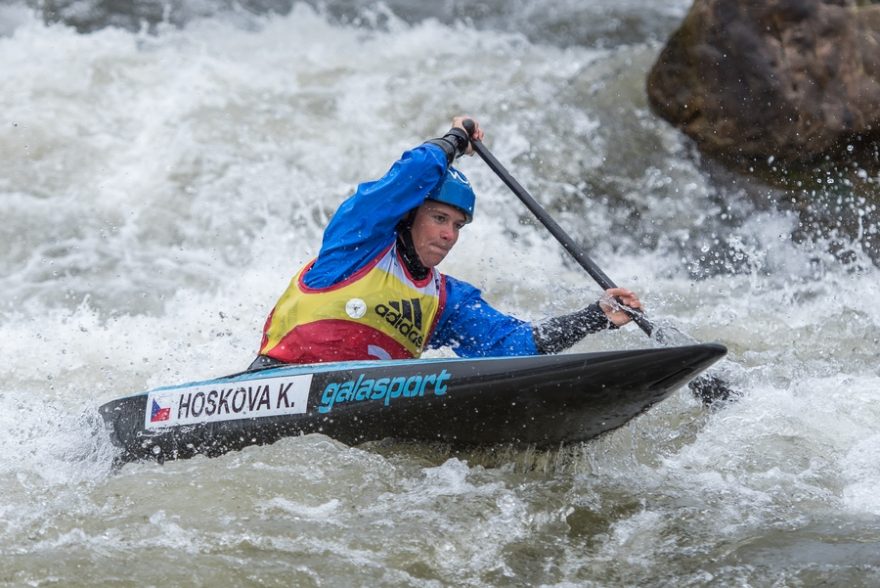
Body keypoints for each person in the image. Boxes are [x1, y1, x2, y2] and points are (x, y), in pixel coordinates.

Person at [249, 116, 642, 370]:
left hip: (360, 411)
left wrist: (596, 316)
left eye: (457, 225)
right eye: (439, 219)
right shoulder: (358, 242)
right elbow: (411, 174)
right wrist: (455, 139)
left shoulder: (444, 300)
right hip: (277, 382)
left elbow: (511, 345)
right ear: (408, 216)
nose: (448, 235)